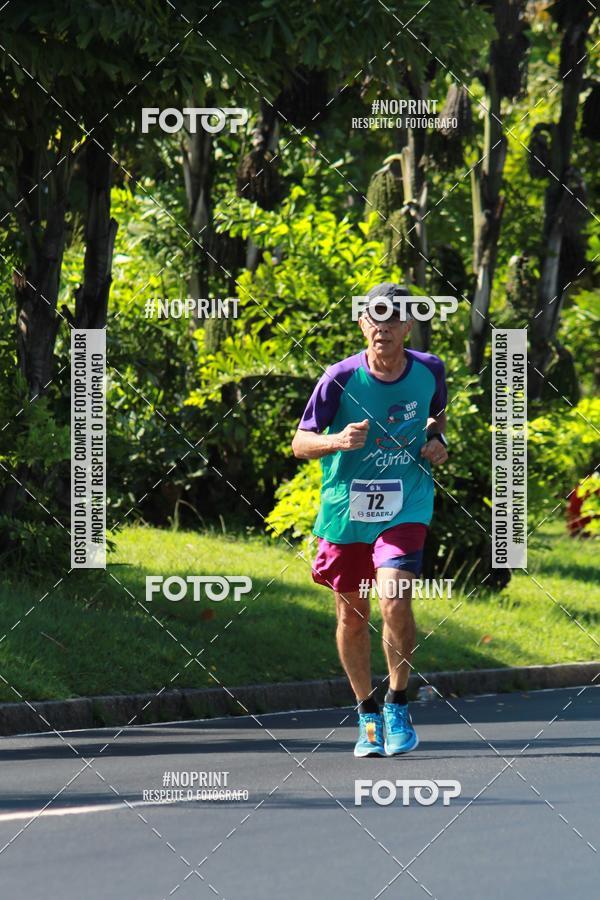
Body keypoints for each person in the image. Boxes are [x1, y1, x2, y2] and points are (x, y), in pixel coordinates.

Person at [291, 283, 448, 757]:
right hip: (347, 511)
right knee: (352, 616)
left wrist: (439, 443)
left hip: (406, 503)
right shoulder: (338, 378)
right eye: (373, 317)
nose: (382, 326)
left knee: (395, 599)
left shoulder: (430, 370)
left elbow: (435, 418)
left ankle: (398, 700)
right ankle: (367, 713)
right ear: (362, 324)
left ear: (407, 326)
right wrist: (338, 441)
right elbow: (300, 443)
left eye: (393, 318)